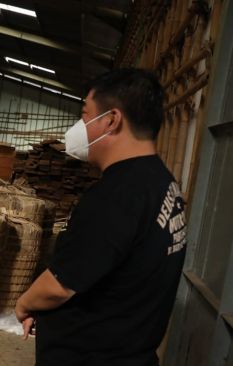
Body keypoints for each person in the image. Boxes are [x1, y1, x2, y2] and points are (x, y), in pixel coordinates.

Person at [15, 68, 187, 366]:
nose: (80, 126)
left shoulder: (116, 196)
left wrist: (25, 303)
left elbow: (59, 286)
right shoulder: (162, 183)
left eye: (85, 115)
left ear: (111, 120)